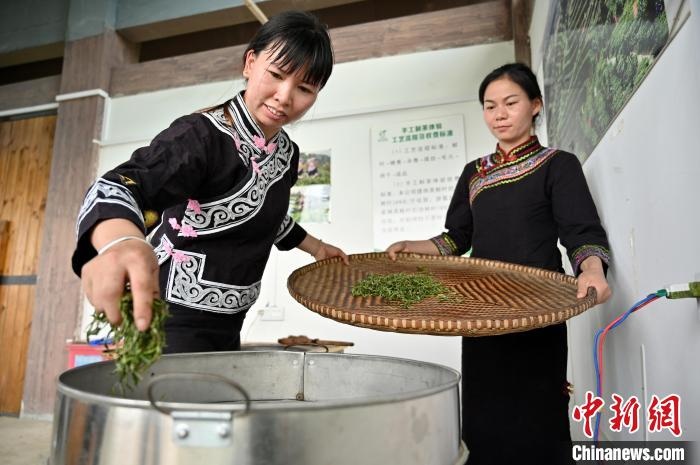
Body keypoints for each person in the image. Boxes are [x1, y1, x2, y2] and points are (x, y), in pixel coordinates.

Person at [72, 10, 348, 354]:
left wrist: (317, 248)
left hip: (232, 318)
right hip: (169, 317)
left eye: (304, 88)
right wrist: (120, 242)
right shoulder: (199, 136)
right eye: (276, 75)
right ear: (250, 63)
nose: (284, 96)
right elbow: (119, 186)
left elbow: (267, 214)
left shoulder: (286, 154)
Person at [387, 63, 611, 465]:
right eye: (490, 106)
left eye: (511, 103)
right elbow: (456, 238)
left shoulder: (558, 165)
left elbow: (581, 230)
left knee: (538, 416)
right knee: (483, 417)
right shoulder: (474, 174)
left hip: (538, 312)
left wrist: (591, 269)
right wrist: (414, 246)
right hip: (480, 312)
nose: (499, 114)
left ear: (535, 105)